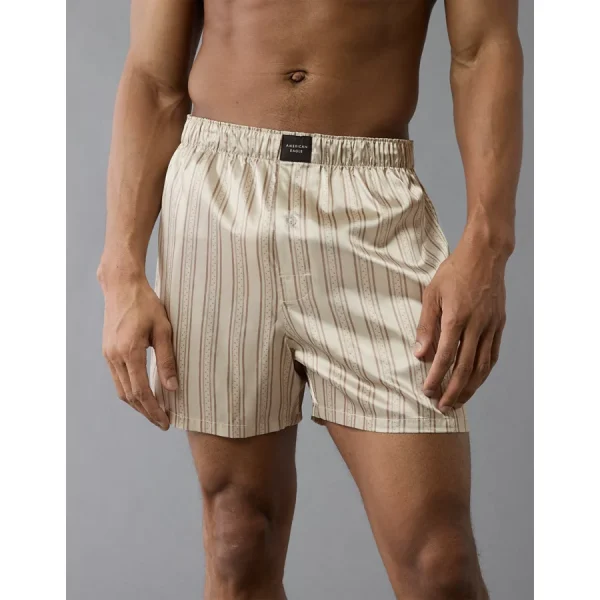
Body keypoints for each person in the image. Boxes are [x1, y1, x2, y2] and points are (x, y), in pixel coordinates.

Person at [98, 0, 522, 598]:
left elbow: (483, 50)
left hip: (371, 203)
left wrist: (488, 244)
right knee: (238, 534)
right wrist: (121, 268)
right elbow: (153, 76)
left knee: (438, 563)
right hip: (218, 196)